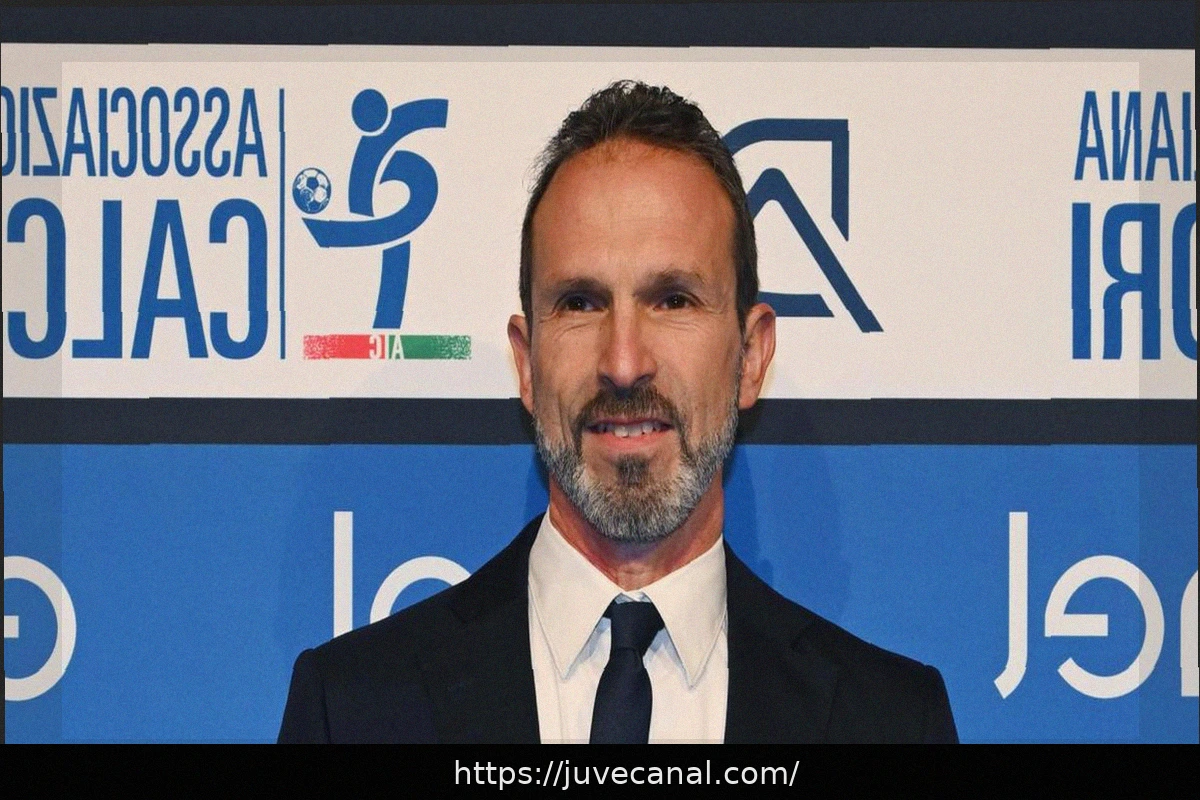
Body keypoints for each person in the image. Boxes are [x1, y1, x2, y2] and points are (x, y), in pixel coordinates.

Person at [278, 80, 958, 744]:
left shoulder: (892, 724)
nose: (624, 362)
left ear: (751, 356)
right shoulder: (354, 710)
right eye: (580, 302)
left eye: (673, 299)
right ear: (526, 362)